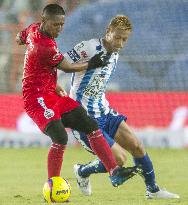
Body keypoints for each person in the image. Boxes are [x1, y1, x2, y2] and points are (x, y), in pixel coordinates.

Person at [16, 4, 138, 189]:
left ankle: (114, 171)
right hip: (36, 98)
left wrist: (49, 82)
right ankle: (53, 185)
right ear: (44, 21)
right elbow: (65, 67)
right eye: (55, 25)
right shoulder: (45, 45)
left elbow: (20, 37)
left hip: (49, 92)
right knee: (60, 138)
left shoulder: (33, 29)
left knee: (89, 124)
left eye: (62, 24)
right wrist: (92, 64)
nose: (59, 29)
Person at [63, 15, 180, 199]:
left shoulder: (115, 54)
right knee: (119, 159)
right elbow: (61, 62)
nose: (120, 43)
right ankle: (83, 171)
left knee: (137, 146)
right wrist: (85, 66)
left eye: (124, 39)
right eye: (117, 37)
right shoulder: (89, 47)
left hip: (105, 112)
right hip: (84, 119)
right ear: (108, 31)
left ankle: (153, 190)